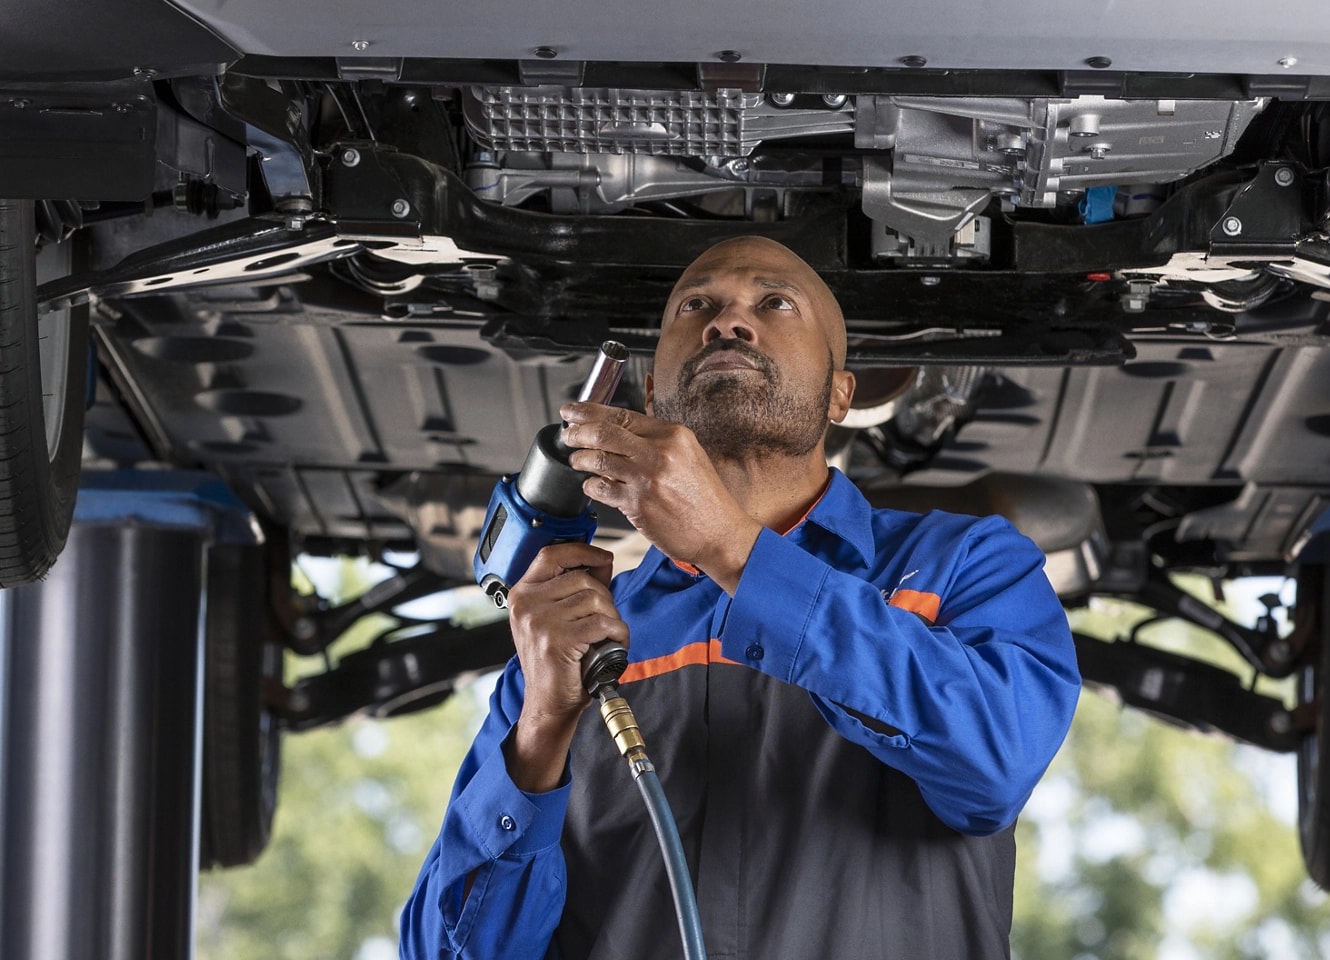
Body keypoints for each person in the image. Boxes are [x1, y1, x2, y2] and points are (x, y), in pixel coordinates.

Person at [400, 236, 1081, 960]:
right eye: (697, 305)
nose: (727, 322)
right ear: (653, 393)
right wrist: (539, 732)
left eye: (774, 302)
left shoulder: (965, 564)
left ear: (840, 392)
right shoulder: (568, 645)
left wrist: (733, 548)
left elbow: (996, 763)